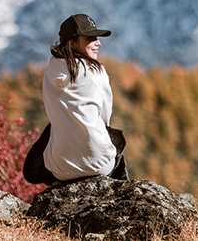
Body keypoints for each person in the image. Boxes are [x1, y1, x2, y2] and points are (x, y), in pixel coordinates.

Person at [23, 13, 128, 185]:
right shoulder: (97, 71)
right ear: (72, 42)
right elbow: (105, 117)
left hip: (61, 169)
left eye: (97, 37)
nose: (98, 42)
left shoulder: (50, 70)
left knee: (54, 127)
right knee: (115, 140)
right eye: (90, 37)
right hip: (100, 165)